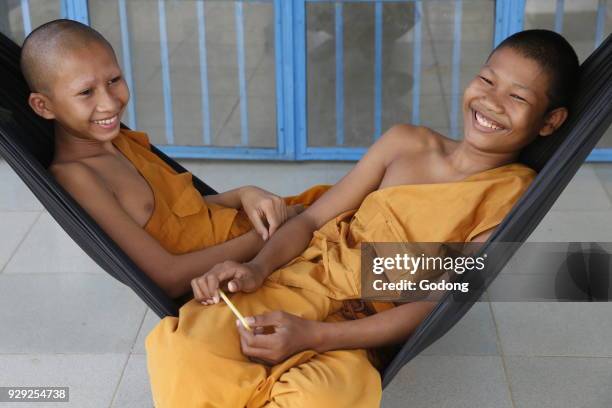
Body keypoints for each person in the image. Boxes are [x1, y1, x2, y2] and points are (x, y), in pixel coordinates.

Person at [145, 29, 580, 407]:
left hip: (355, 330)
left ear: (550, 121)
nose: (491, 100)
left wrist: (313, 336)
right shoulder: (405, 143)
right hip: (296, 281)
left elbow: (436, 302)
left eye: (517, 96)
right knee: (185, 351)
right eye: (487, 80)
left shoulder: (509, 196)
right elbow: (310, 221)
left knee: (326, 397)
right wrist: (257, 268)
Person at [20, 19, 325, 299]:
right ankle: (375, 303)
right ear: (43, 106)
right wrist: (277, 234)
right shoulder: (78, 176)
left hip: (263, 233)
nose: (109, 102)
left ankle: (375, 301)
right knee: (365, 219)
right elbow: (167, 276)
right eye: (86, 92)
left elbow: (185, 214)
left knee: (365, 205)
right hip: (249, 266)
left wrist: (244, 194)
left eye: (114, 80)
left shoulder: (119, 141)